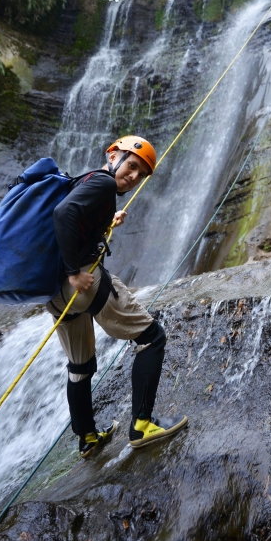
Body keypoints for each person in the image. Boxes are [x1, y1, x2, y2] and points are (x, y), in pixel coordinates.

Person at [46, 135, 187, 458]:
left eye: (141, 174)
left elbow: (74, 222)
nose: (134, 176)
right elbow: (63, 214)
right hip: (81, 283)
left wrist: (107, 222)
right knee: (152, 337)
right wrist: (74, 271)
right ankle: (142, 425)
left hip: (52, 294)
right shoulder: (104, 184)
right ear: (113, 155)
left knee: (80, 365)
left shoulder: (86, 181)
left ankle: (88, 437)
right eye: (133, 165)